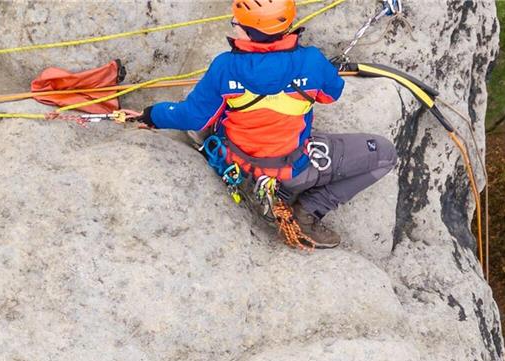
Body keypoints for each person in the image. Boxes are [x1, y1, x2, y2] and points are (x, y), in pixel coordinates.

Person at [134, 0, 397, 249]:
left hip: (236, 159)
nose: (233, 24)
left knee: (206, 109)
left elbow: (191, 116)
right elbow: (331, 94)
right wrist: (310, 75)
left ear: (251, 32)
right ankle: (309, 209)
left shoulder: (225, 67)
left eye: (236, 22)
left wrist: (152, 115)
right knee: (385, 154)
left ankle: (250, 176)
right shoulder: (312, 62)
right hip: (291, 170)